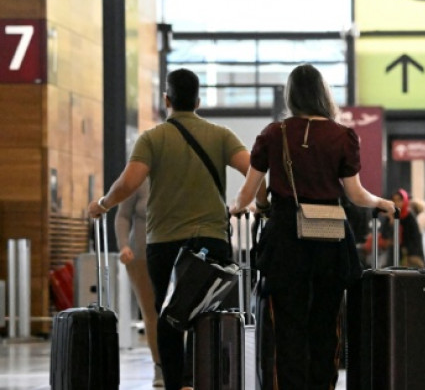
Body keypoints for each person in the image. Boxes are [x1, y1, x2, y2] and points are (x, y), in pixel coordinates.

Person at [87, 68, 264, 390]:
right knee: (205, 313)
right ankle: (203, 380)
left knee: (167, 317)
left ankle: (176, 384)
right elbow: (254, 169)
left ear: (166, 100)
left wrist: (102, 203)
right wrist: (255, 202)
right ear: (198, 101)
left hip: (165, 243)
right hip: (212, 240)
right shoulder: (221, 135)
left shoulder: (152, 138)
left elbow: (128, 183)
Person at [229, 64, 395, 388]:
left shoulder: (273, 133)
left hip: (285, 239)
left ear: (291, 95)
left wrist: (239, 207)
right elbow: (355, 194)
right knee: (326, 323)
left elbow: (247, 193)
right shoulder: (343, 136)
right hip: (330, 240)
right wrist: (381, 202)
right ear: (322, 94)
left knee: (286, 325)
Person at [114, 179, 163, 387]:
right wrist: (123, 245)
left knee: (177, 312)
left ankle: (183, 365)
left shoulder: (178, 174)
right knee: (151, 313)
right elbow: (123, 216)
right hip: (140, 256)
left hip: (175, 254)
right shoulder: (138, 178)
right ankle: (160, 366)